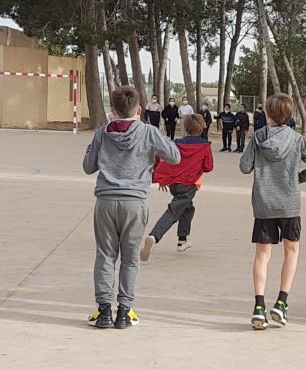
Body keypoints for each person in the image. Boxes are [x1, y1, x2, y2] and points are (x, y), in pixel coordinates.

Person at [83, 86, 180, 329]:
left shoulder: (102, 133)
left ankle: (104, 310)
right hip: (135, 202)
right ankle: (124, 311)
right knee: (130, 259)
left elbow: (88, 166)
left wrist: (95, 144)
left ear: (113, 110)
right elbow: (175, 156)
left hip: (105, 201)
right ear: (138, 109)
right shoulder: (148, 132)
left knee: (105, 255)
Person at [240, 93, 306, 330]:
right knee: (292, 250)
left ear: (268, 113)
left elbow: (245, 167)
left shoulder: (258, 137)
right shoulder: (297, 140)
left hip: (264, 203)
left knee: (262, 254)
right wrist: (296, 179)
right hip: (289, 203)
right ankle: (281, 302)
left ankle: (258, 306)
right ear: (290, 114)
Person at [141, 114, 214, 262]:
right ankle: (154, 236)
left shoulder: (176, 143)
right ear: (201, 129)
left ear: (185, 128)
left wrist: (161, 177)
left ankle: (182, 240)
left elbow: (166, 159)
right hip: (189, 184)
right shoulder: (204, 146)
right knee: (174, 211)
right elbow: (208, 166)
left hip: (174, 184)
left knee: (188, 208)